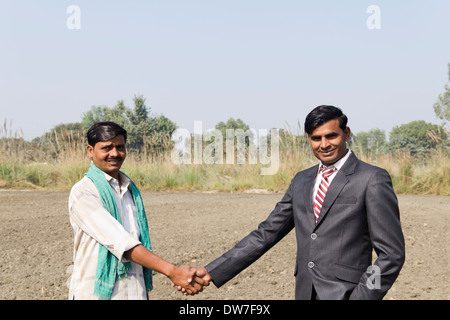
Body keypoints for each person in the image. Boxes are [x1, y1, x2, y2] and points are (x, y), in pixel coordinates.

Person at [191, 105, 405, 300]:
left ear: (346, 134)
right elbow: (266, 233)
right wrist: (212, 270)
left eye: (331, 136)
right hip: (304, 292)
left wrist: (363, 297)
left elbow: (391, 255)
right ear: (309, 139)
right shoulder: (302, 180)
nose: (324, 145)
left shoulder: (372, 178)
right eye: (316, 138)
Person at [68, 121, 206, 299]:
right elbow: (122, 243)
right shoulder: (84, 192)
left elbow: (137, 241)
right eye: (106, 148)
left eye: (120, 147)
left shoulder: (130, 190)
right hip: (97, 293)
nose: (115, 153)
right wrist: (172, 271)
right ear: (90, 151)